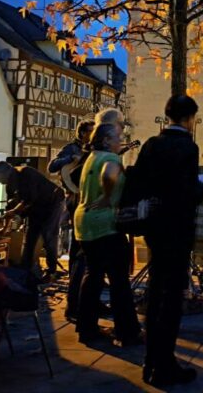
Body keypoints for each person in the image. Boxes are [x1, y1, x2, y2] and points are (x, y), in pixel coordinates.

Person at [133, 95, 203, 387]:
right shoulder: (187, 147)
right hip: (177, 229)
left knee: (155, 291)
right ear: (189, 119)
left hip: (154, 227)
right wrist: (200, 189)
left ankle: (150, 359)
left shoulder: (152, 145)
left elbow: (138, 181)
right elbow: (187, 192)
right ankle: (165, 364)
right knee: (172, 297)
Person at [73, 123, 141, 346]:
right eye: (117, 137)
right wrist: (108, 194)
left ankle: (86, 328)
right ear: (104, 140)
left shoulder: (92, 157)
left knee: (93, 276)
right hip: (105, 224)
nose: (120, 140)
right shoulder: (110, 160)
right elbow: (110, 174)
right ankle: (127, 331)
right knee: (119, 280)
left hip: (84, 222)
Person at [0, 161, 65, 281]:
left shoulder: (26, 173)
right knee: (29, 237)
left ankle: (51, 271)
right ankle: (25, 269)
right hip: (35, 207)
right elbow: (9, 207)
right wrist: (4, 228)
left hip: (52, 202)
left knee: (49, 235)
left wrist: (14, 212)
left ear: (5, 172)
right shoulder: (10, 184)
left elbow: (29, 199)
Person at [49, 120, 94, 321]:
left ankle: (83, 298)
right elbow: (52, 166)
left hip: (85, 198)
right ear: (83, 132)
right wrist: (70, 157)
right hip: (74, 199)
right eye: (91, 132)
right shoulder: (72, 148)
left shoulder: (93, 149)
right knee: (78, 251)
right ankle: (74, 302)